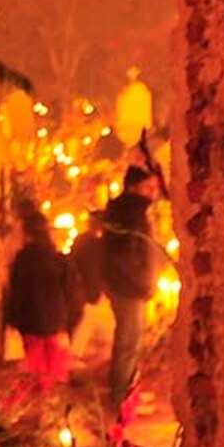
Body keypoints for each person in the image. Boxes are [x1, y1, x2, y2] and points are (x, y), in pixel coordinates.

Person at [92, 163, 166, 398]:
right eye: (147, 188)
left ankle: (126, 389)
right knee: (129, 340)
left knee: (131, 339)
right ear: (134, 188)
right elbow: (127, 254)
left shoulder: (128, 211)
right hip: (129, 287)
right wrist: (142, 284)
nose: (152, 193)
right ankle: (122, 394)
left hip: (127, 285)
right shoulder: (130, 214)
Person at [0, 195, 80, 394]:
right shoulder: (58, 258)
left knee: (37, 367)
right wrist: (67, 316)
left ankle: (44, 400)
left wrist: (11, 317)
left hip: (31, 322)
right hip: (55, 319)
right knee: (57, 364)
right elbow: (71, 289)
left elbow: (17, 292)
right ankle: (57, 403)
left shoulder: (23, 259)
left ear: (27, 233)